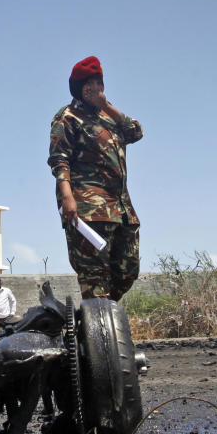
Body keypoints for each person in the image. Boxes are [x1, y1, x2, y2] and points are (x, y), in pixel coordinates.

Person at [48, 56, 144, 301]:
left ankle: (99, 322)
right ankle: (98, 330)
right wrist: (67, 197)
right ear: (80, 88)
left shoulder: (109, 117)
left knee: (127, 270)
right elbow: (59, 159)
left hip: (121, 210)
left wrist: (107, 107)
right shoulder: (67, 117)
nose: (96, 88)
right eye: (89, 84)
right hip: (88, 211)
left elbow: (136, 132)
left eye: (99, 82)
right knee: (94, 279)